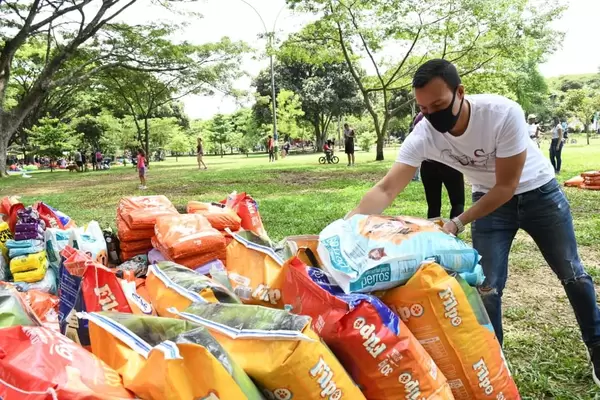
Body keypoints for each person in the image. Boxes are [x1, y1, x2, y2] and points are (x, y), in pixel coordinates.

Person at [346, 59, 600, 386]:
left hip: (539, 194)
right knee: (487, 287)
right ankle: (495, 361)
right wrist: (346, 227)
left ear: (460, 92)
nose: (431, 115)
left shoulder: (502, 113)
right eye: (423, 108)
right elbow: (386, 188)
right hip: (490, 204)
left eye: (438, 104)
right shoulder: (424, 132)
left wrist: (457, 222)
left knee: (573, 273)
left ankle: (596, 345)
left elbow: (506, 186)